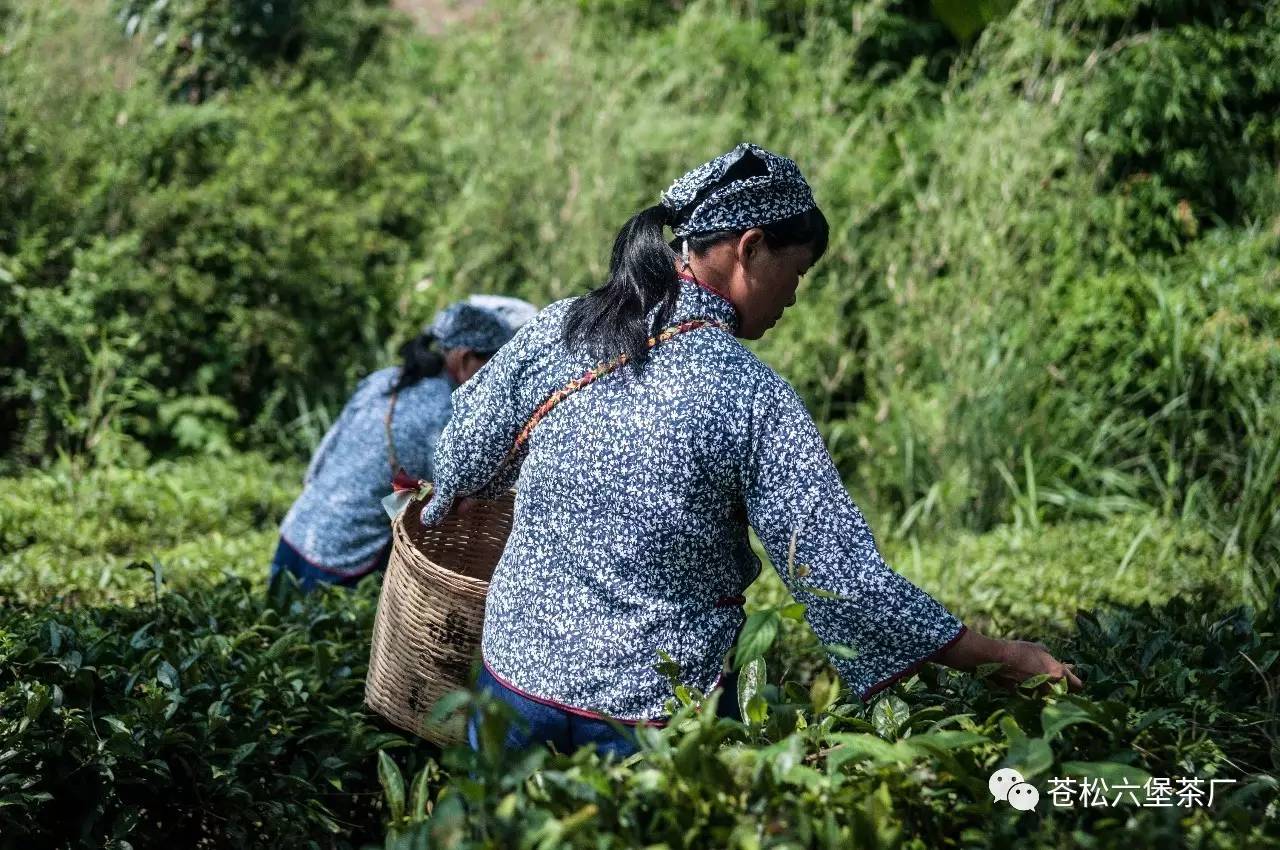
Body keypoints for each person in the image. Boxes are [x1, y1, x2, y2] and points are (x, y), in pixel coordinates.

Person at [421, 143, 1082, 758]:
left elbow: (460, 467)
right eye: (796, 273)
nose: (794, 295)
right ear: (751, 247)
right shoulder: (751, 395)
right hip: (653, 719)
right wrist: (1004, 655)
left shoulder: (562, 328)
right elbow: (843, 584)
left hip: (513, 689)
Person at [269, 296, 537, 592]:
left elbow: (327, 458)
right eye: (492, 364)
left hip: (296, 535)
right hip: (339, 561)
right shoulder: (444, 413)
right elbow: (465, 499)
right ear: (463, 358)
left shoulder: (385, 380)